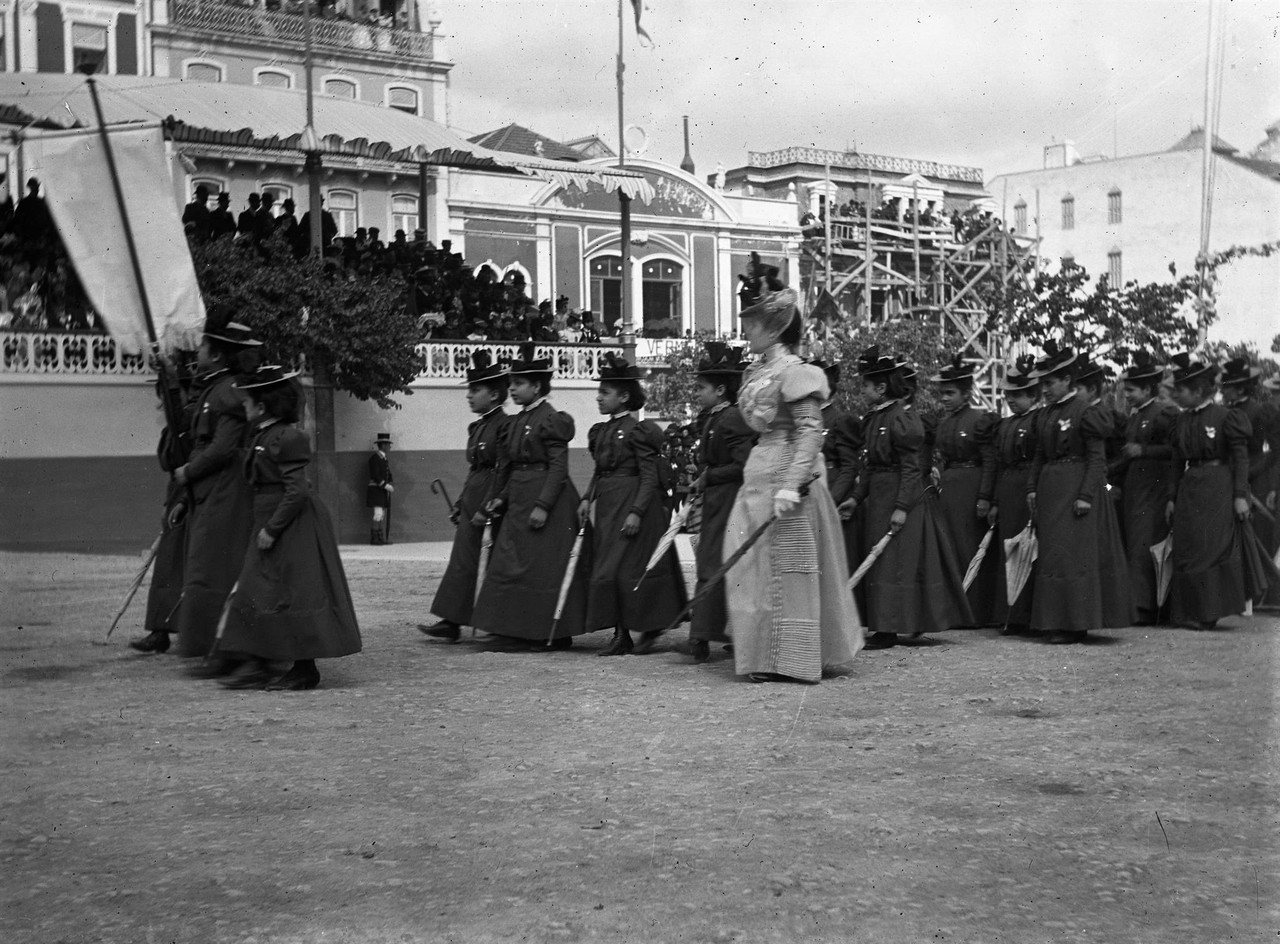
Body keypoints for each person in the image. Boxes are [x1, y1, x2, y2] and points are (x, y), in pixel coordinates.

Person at [722, 271, 861, 683]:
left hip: (788, 477)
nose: (747, 333)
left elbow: (810, 431)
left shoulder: (797, 371)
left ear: (775, 327)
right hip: (759, 473)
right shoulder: (757, 371)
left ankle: (793, 658)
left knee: (787, 570)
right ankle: (762, 655)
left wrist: (791, 483)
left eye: (753, 325)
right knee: (753, 568)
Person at [216, 366, 362, 690]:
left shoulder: (286, 437)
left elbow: (296, 490)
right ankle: (255, 659)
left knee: (295, 594)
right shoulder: (262, 435)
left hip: (291, 526)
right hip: (271, 521)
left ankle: (303, 668)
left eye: (248, 400)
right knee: (258, 590)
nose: (244, 405)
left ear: (263, 406)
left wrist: (272, 528)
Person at [840, 347, 972, 649]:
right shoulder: (874, 418)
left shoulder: (903, 418)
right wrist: (857, 498)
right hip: (879, 499)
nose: (862, 391)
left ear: (882, 388)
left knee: (895, 564)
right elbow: (871, 467)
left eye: (865, 385)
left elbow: (912, 469)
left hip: (902, 498)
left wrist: (901, 508)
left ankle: (890, 629)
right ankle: (883, 625)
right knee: (882, 561)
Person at [471, 342, 588, 649]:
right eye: (511, 384)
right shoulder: (518, 420)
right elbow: (517, 468)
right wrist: (502, 497)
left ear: (537, 387)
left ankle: (545, 635)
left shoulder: (551, 419)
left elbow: (558, 467)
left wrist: (543, 505)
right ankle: (513, 627)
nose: (512, 389)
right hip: (519, 499)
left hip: (546, 502)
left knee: (541, 569)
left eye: (519, 384)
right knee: (510, 562)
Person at [578, 355, 687, 656]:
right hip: (610, 507)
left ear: (624, 396)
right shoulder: (600, 432)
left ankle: (644, 628)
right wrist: (588, 498)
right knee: (608, 569)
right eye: (599, 392)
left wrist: (637, 512)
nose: (599, 398)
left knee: (629, 571)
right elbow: (600, 471)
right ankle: (621, 633)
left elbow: (649, 475)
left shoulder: (638, 431)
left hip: (635, 506)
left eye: (605, 392)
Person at [170, 320, 261, 667]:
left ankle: (226, 648)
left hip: (226, 490)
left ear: (219, 354)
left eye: (204, 347)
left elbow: (223, 448)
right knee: (207, 567)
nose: (199, 351)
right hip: (211, 490)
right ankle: (213, 646)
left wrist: (188, 473)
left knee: (217, 569)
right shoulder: (216, 388)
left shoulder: (227, 391)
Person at [1026, 344, 1130, 643]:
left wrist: (1086, 495)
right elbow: (1038, 455)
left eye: (1050, 383)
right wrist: (1032, 487)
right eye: (1042, 384)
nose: (1044, 390)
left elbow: (1097, 459)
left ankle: (1075, 623)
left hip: (1076, 489)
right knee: (1052, 556)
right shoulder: (1045, 414)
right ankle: (1054, 621)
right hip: (1050, 490)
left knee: (1072, 558)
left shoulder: (1085, 412)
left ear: (1068, 381)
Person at [420, 351, 513, 641]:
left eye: (475, 391)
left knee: (489, 559)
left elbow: (504, 469)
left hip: (492, 497)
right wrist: (461, 502)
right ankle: (451, 620)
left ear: (495, 394)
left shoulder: (504, 426)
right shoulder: (478, 426)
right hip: (475, 492)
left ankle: (494, 623)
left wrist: (490, 504)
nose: (469, 396)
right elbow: (475, 468)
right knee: (462, 560)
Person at [687, 342, 757, 662]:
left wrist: (708, 477)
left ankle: (703, 635)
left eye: (701, 388)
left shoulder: (731, 418)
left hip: (730, 502)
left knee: (717, 565)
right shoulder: (713, 418)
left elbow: (744, 465)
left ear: (719, 389)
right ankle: (708, 632)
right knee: (711, 564)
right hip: (715, 500)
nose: (696, 393)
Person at [129, 366, 197, 654]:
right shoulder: (174, 427)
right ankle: (160, 630)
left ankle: (186, 630)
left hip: (192, 494)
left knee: (186, 565)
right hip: (176, 494)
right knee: (168, 566)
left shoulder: (191, 423)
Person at [928, 354, 999, 626]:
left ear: (966, 393)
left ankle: (975, 612)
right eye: (942, 394)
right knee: (951, 549)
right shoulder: (944, 423)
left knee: (969, 547)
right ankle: (956, 610)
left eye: (950, 393)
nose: (944, 398)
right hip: (949, 489)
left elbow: (990, 461)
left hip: (972, 488)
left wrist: (984, 496)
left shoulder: (980, 420)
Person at [1112, 352, 1179, 624]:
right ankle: (1135, 603)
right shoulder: (1134, 416)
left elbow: (1176, 450)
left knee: (1144, 543)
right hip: (1134, 488)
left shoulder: (1164, 413)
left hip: (1155, 486)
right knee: (1133, 542)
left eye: (1131, 391)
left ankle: (1145, 607)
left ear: (1148, 389)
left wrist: (1144, 450)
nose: (1126, 396)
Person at [989, 355, 1041, 631]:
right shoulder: (1004, 425)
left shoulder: (1038, 421)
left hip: (1028, 487)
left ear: (1033, 395)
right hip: (1008, 488)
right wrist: (995, 500)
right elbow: (998, 463)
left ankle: (1027, 615)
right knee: (1007, 549)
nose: (1011, 400)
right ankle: (1009, 614)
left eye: (1018, 395)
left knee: (1027, 548)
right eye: (1008, 395)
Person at [366, 433, 394, 545]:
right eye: (388, 444)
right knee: (377, 514)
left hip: (381, 490)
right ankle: (375, 538)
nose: (390, 447)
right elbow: (375, 475)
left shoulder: (383, 458)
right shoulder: (375, 458)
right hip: (376, 490)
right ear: (382, 445)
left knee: (381, 514)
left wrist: (389, 481)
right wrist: (385, 485)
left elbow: (387, 473)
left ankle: (380, 538)